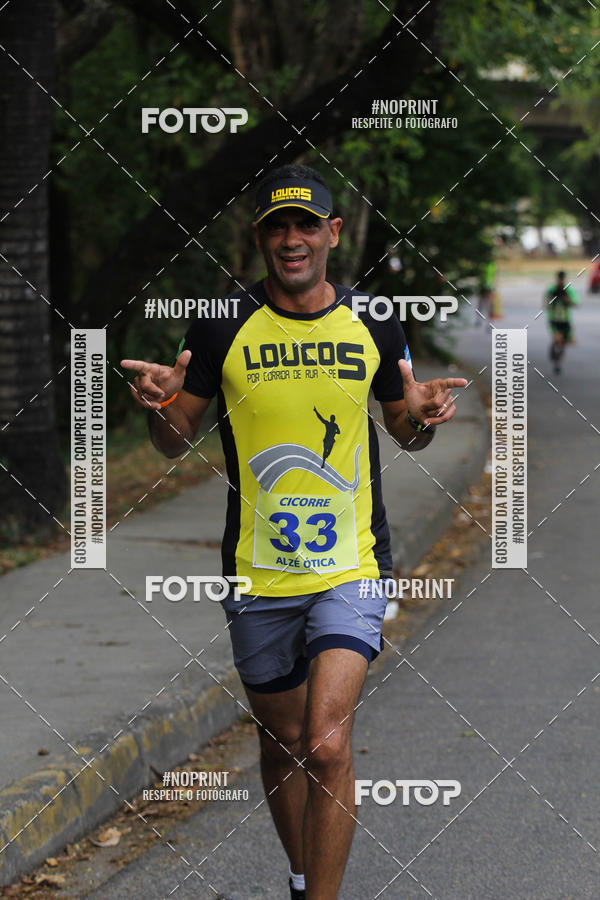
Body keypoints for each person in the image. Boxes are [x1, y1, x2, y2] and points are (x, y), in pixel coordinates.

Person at [121, 164, 467, 900]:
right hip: (258, 571)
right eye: (277, 226)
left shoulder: (374, 320)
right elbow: (175, 439)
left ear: (332, 234)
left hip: (352, 562)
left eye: (306, 224)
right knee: (281, 747)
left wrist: (424, 414)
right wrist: (158, 406)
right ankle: (302, 874)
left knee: (327, 742)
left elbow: (404, 431)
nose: (292, 239)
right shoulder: (223, 324)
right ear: (260, 238)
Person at [544, 270, 578, 375]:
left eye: (562, 279)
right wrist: (551, 301)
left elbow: (575, 304)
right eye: (559, 278)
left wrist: (567, 300)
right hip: (554, 319)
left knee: (563, 344)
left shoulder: (568, 290)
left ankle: (557, 363)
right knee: (558, 339)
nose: (561, 280)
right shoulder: (551, 290)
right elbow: (545, 304)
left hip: (565, 320)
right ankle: (554, 347)